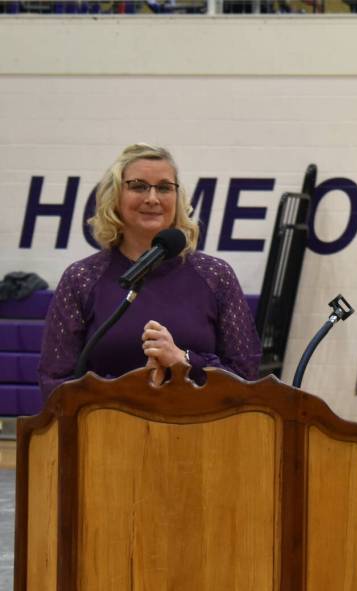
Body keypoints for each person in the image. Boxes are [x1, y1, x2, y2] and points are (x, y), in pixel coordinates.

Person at [38, 143, 261, 400]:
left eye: (164, 187)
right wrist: (129, 389)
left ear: (177, 199)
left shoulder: (215, 275)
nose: (152, 198)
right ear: (115, 197)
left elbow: (246, 376)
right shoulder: (81, 278)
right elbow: (54, 381)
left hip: (200, 432)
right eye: (139, 186)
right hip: (107, 433)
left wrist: (184, 360)